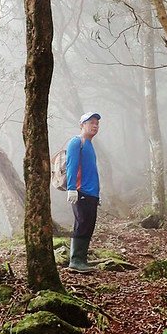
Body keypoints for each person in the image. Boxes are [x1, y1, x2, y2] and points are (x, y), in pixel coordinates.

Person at [66, 111, 101, 272]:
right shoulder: (76, 142)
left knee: (88, 226)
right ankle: (76, 260)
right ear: (82, 125)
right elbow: (71, 166)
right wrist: (71, 188)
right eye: (91, 122)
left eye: (97, 123)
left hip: (91, 194)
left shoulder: (89, 144)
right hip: (81, 192)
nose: (95, 125)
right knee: (82, 225)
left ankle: (82, 259)